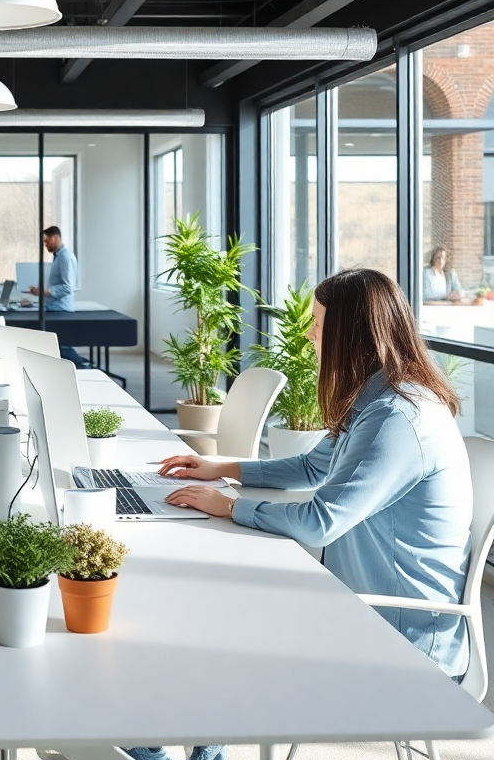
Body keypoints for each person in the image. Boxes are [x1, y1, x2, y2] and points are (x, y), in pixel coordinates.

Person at [161, 268, 471, 685]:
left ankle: (177, 744)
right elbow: (312, 466)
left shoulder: (398, 418)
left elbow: (320, 523)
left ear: (351, 335)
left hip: (399, 636)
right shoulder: (374, 396)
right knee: (223, 606)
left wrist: (232, 506)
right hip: (357, 603)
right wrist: (223, 468)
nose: (309, 334)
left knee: (225, 614)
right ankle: (202, 747)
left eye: (318, 324)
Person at [29, 225, 86, 367]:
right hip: (54, 308)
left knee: (63, 345)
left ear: (55, 238)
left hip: (61, 310)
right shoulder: (58, 257)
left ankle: (80, 367)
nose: (45, 244)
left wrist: (45, 291)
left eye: (46, 240)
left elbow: (67, 287)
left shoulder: (65, 258)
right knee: (59, 344)